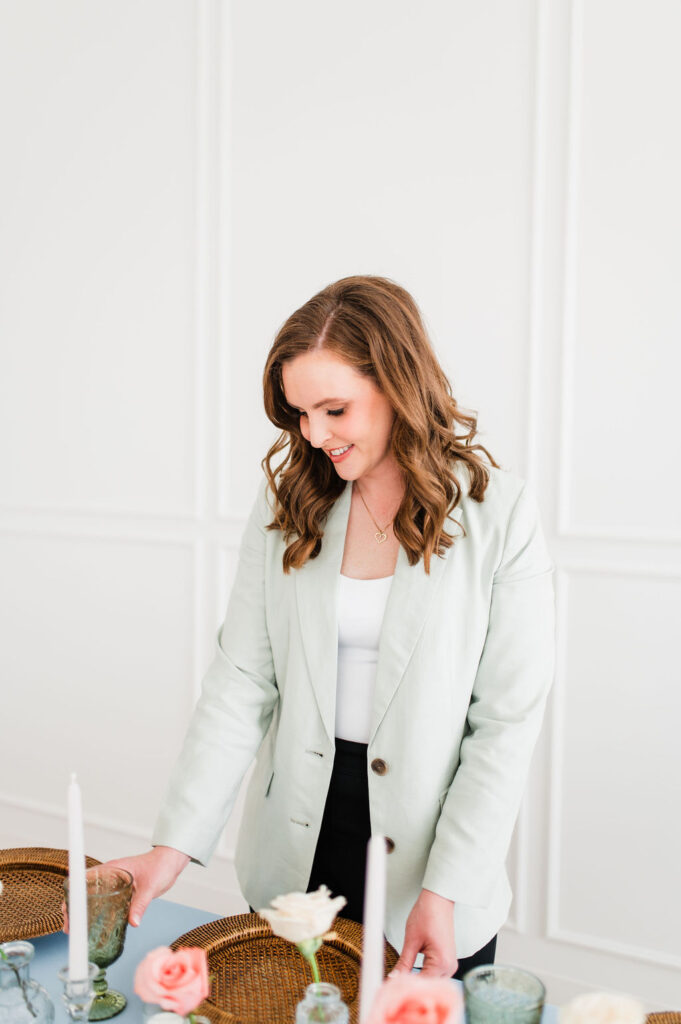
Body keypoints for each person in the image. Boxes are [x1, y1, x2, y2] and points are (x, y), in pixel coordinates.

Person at [105, 275, 555, 979]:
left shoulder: (499, 514)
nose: (313, 436)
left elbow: (504, 722)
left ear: (397, 382)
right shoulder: (288, 501)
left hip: (433, 859)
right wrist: (171, 850)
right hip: (298, 845)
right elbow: (241, 681)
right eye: (299, 414)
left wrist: (445, 889)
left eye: (334, 409)